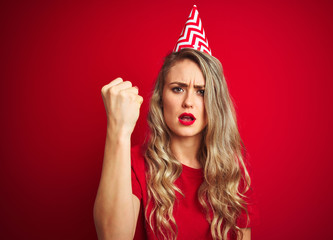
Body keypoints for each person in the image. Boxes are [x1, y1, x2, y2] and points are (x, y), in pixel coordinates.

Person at [93, 5, 257, 240]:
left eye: (201, 91)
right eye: (178, 89)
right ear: (161, 98)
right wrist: (119, 129)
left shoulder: (231, 172)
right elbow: (112, 237)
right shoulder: (134, 164)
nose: (188, 101)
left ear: (214, 102)